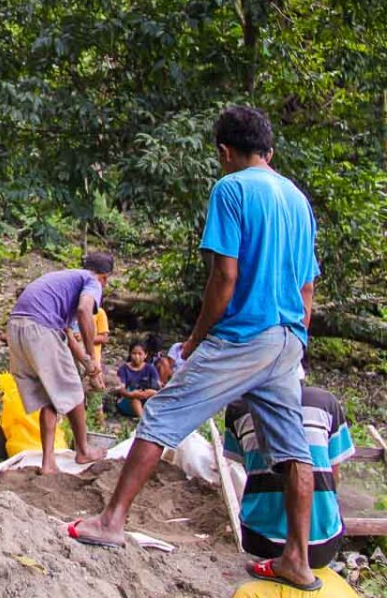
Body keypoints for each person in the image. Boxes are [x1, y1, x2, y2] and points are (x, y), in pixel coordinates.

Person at [69, 107, 322, 593]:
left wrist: (196, 340)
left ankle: (111, 521)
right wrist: (297, 337)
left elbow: (224, 277)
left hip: (244, 335)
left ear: (225, 151)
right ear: (267, 147)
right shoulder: (297, 199)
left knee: (161, 415)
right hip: (289, 339)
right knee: (293, 450)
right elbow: (307, 288)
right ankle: (297, 559)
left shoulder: (232, 189)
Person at [225, 385, 354, 570]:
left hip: (261, 541)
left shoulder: (239, 406)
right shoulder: (325, 403)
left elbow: (251, 468)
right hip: (322, 544)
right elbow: (334, 477)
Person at [6, 252, 113, 474]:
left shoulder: (65, 280)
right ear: (104, 277)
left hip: (16, 328)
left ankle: (48, 463)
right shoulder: (92, 282)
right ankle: (83, 450)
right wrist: (94, 358)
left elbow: (66, 332)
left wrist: (86, 362)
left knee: (50, 396)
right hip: (40, 328)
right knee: (73, 391)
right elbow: (85, 310)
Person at [113, 342, 161, 418]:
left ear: (145, 355)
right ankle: (143, 421)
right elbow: (121, 389)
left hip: (146, 401)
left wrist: (145, 393)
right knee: (135, 398)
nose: (137, 356)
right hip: (127, 401)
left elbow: (158, 387)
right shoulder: (123, 369)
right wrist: (131, 394)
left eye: (140, 354)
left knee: (154, 392)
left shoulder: (151, 368)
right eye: (134, 353)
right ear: (130, 354)